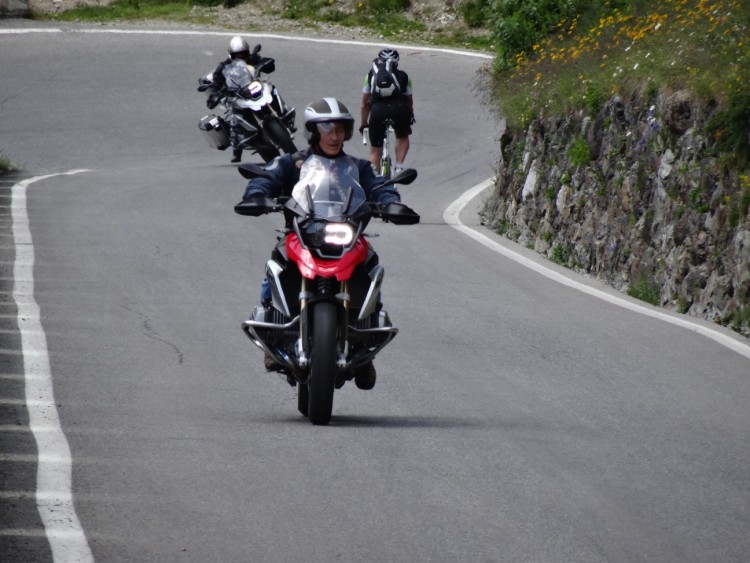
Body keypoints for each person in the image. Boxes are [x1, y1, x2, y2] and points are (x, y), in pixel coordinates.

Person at [242, 97, 412, 388]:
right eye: (327, 129)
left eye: (340, 130)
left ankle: (365, 338)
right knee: (277, 262)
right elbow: (267, 177)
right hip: (302, 232)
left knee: (370, 265)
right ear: (313, 132)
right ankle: (272, 326)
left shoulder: (359, 166)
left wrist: (391, 203)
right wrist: (258, 195)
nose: (334, 136)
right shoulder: (293, 162)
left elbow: (380, 186)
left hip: (347, 234)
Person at [207, 36, 279, 163]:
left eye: (243, 53)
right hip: (237, 94)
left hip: (254, 87)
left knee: (272, 89)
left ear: (248, 52)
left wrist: (266, 63)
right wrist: (217, 90)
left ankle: (282, 113)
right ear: (231, 54)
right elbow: (216, 81)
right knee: (233, 115)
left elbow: (268, 66)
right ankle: (237, 149)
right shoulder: (224, 66)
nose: (240, 56)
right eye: (237, 54)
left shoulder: (253, 58)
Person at [359, 48, 414, 173]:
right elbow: (409, 102)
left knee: (375, 151)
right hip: (399, 109)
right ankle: (399, 167)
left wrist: (364, 123)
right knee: (402, 136)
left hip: (377, 112)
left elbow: (364, 104)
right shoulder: (404, 76)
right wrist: (408, 119)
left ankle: (375, 179)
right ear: (396, 62)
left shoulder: (369, 76)